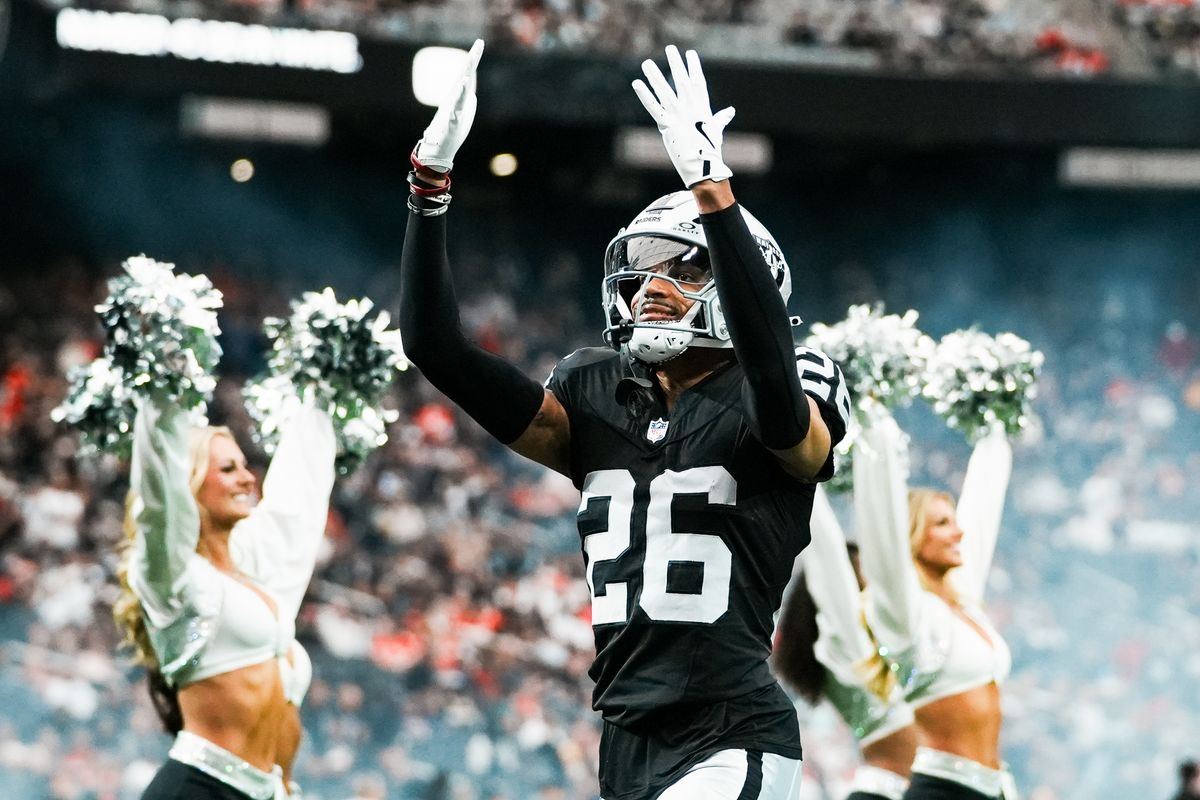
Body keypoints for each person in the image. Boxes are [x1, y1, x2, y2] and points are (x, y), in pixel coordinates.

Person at [398, 41, 851, 800]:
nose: (653, 287)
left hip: (733, 733)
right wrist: (428, 185)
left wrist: (713, 189)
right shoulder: (592, 391)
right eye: (644, 270)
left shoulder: (792, 381)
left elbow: (774, 390)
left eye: (686, 268)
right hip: (623, 741)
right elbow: (434, 346)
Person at [112, 393, 335, 799]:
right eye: (228, 469)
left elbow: (296, 506)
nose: (249, 479)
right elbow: (158, 494)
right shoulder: (174, 581)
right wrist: (162, 392)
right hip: (201, 789)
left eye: (244, 466)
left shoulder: (251, 574)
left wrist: (321, 393)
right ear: (189, 483)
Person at [853, 401, 1014, 800]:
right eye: (942, 523)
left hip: (992, 789)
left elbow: (984, 507)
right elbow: (883, 538)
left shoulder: (963, 602)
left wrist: (996, 421)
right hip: (943, 791)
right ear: (912, 535)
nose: (959, 532)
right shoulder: (905, 615)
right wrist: (874, 420)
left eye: (954, 520)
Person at [773, 486, 918, 800]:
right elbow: (826, 557)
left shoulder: (896, 653)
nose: (879, 595)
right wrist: (805, 477)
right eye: (866, 584)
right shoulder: (845, 650)